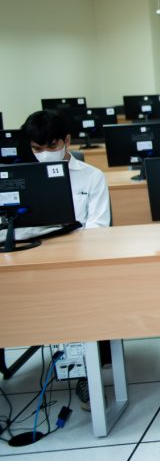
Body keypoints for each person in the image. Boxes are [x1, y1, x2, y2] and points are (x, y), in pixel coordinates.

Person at [17, 109, 111, 409]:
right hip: (29, 264)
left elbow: (98, 227)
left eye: (52, 146)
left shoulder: (92, 177)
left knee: (79, 298)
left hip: (78, 266)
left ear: (67, 141)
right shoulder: (19, 180)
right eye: (37, 148)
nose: (45, 154)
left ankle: (86, 372)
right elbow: (13, 229)